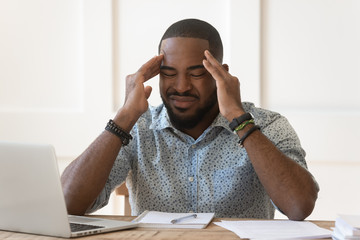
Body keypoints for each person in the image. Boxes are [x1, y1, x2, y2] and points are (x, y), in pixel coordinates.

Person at [61, 18, 319, 220]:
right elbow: (66, 203)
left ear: (221, 74)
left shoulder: (268, 125)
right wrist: (124, 117)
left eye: (196, 74)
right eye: (169, 73)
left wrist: (240, 121)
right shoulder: (138, 127)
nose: (181, 87)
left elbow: (299, 206)